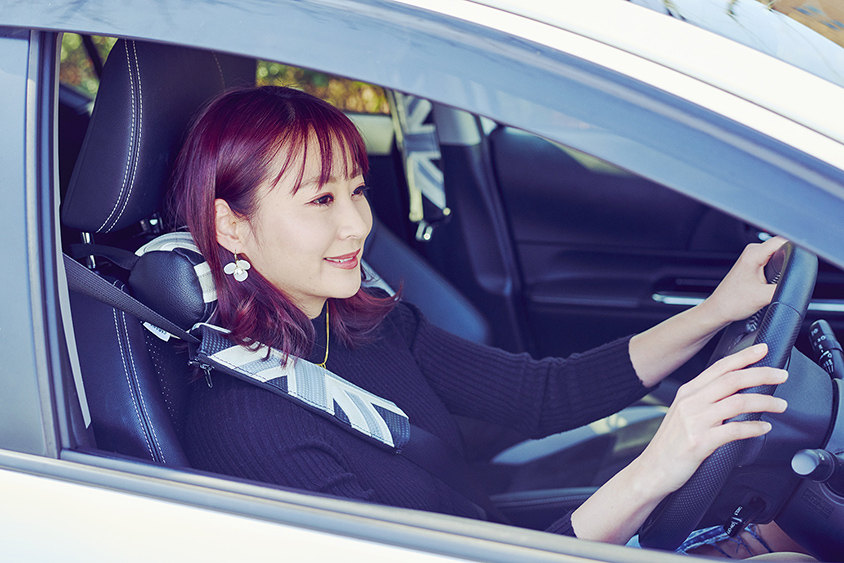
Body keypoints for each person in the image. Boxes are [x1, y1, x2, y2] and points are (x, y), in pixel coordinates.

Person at [168, 85, 792, 551]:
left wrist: (715, 312)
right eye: (321, 199)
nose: (356, 224)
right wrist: (656, 468)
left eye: (356, 191)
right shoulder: (248, 429)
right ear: (231, 226)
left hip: (504, 537)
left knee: (787, 528)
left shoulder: (365, 325)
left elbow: (546, 393)